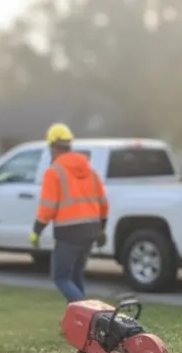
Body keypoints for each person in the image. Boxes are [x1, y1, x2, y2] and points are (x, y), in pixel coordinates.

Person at [30, 123, 109, 302]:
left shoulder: (54, 172)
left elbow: (48, 207)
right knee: (75, 274)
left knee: (61, 277)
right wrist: (102, 228)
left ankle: (88, 317)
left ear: (52, 146)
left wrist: (36, 231)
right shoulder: (90, 170)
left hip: (68, 232)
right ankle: (79, 324)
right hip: (91, 229)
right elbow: (103, 203)